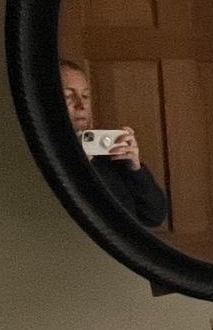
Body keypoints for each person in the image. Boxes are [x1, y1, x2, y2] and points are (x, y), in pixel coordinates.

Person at [61, 59, 169, 228]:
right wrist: (80, 166)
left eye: (85, 96)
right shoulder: (49, 156)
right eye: (68, 96)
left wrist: (135, 169)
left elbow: (154, 216)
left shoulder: (110, 155)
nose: (81, 105)